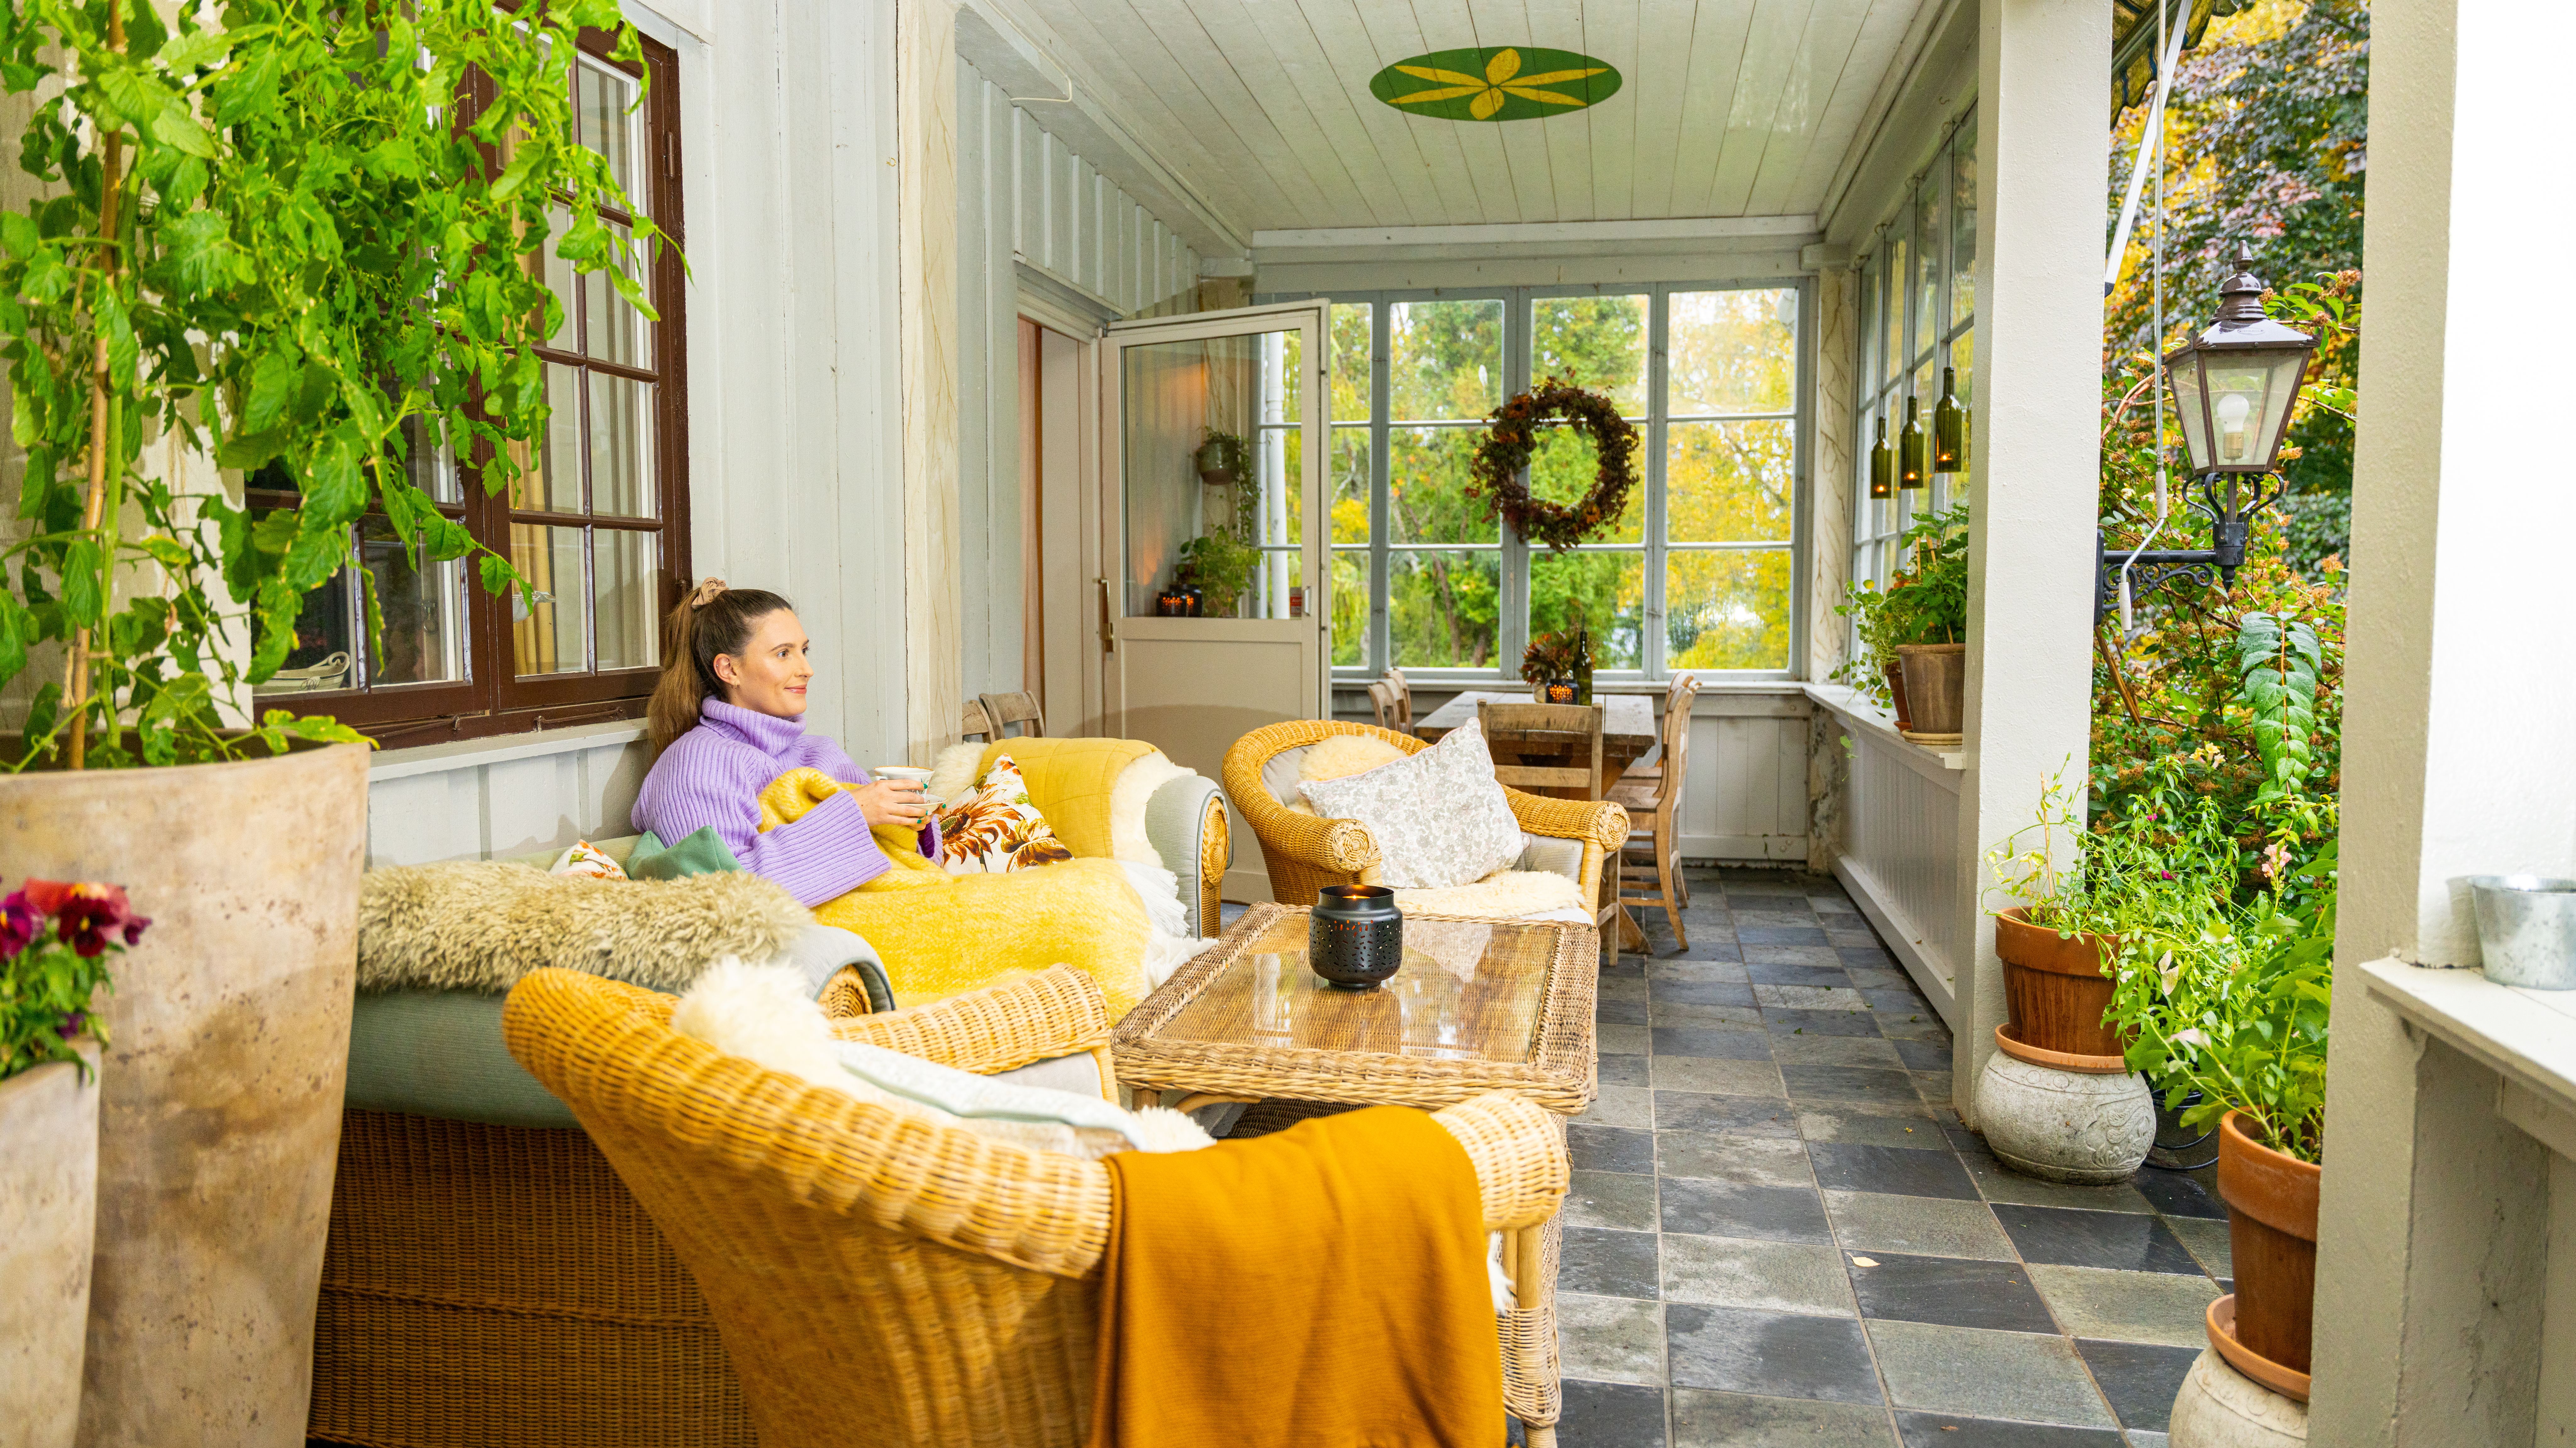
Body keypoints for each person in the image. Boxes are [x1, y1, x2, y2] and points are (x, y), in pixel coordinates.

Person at [633, 579, 937, 906]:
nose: (807, 670)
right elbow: (727, 896)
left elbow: (907, 862)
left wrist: (916, 823)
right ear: (729, 669)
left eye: (803, 651)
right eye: (783, 654)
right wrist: (855, 813)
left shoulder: (821, 752)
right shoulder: (696, 763)